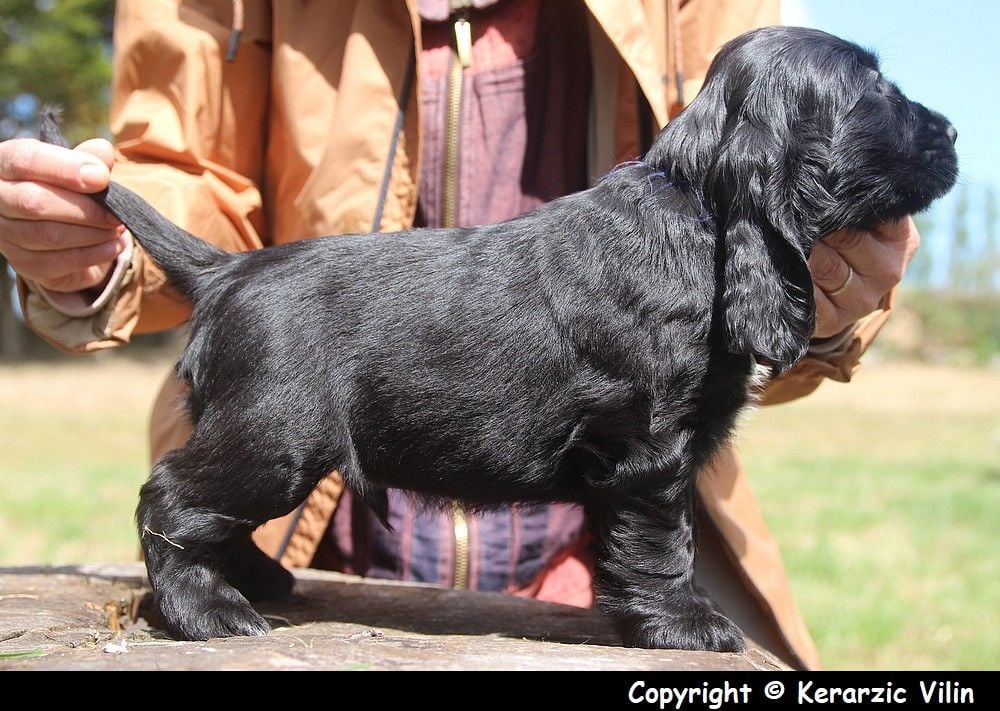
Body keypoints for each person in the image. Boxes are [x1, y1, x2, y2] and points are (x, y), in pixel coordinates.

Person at [0, 0, 918, 669]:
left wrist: (838, 292)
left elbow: (667, 424)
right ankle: (189, 534)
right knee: (267, 454)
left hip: (569, 581)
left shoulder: (733, 123)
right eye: (872, 91)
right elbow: (186, 165)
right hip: (333, 511)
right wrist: (92, 233)